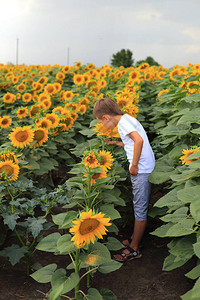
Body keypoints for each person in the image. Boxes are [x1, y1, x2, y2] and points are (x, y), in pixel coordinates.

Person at [93, 97, 155, 262]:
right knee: (139, 204)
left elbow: (139, 140)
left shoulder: (122, 124)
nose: (103, 126)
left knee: (139, 207)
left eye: (101, 122)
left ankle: (134, 248)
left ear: (106, 117)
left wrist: (134, 165)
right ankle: (135, 237)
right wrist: (117, 143)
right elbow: (133, 141)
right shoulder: (127, 118)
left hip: (141, 169)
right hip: (146, 165)